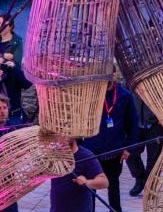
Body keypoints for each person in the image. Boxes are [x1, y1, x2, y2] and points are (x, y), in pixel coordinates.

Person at [83, 83, 139, 212]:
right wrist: (80, 147)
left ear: (114, 75)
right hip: (92, 150)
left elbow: (132, 123)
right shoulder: (90, 93)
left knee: (113, 185)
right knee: (91, 187)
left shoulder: (124, 95)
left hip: (115, 150)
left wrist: (128, 147)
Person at [50, 144, 107, 212]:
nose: (61, 137)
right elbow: (38, 176)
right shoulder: (53, 154)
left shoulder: (86, 155)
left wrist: (87, 182)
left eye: (67, 134)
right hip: (56, 209)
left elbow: (104, 182)